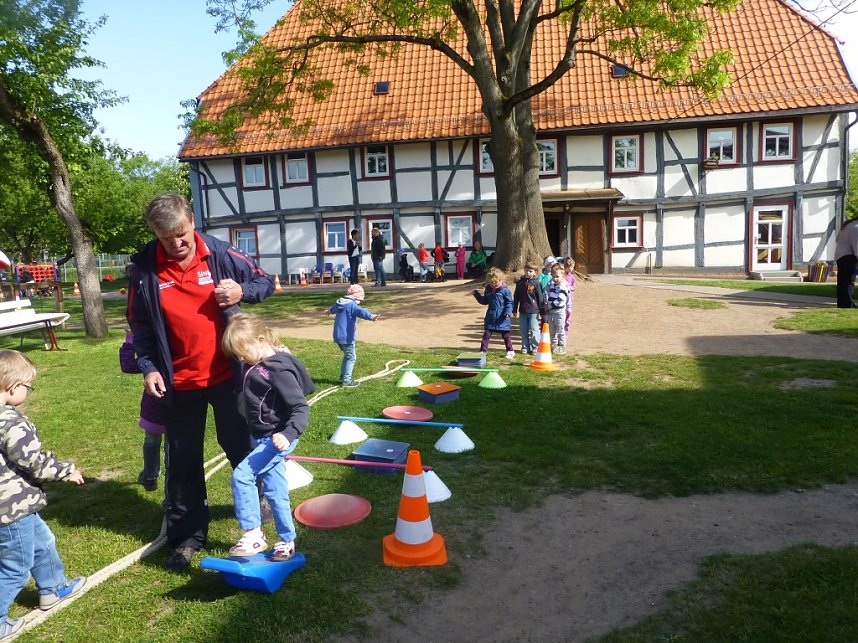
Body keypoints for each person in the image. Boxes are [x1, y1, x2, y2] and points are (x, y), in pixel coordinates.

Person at [127, 193, 274, 573]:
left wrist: (243, 291)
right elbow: (140, 326)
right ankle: (187, 538)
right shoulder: (144, 268)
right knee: (183, 461)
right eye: (166, 238)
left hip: (230, 377)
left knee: (241, 448)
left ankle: (256, 517)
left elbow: (264, 281)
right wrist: (149, 367)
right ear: (155, 235)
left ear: (192, 222)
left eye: (182, 234)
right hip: (179, 383)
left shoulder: (221, 253)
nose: (177, 243)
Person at [0, 350, 86, 640]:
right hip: (12, 508)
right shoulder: (10, 423)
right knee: (15, 568)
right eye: (28, 386)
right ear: (13, 387)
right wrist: (65, 471)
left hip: (15, 506)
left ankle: (52, 588)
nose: (28, 391)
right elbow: (33, 461)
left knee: (44, 543)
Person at [220, 313, 315, 562]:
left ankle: (253, 533)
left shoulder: (278, 370)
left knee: (242, 475)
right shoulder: (259, 360)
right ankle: (287, 541)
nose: (240, 359)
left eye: (242, 352)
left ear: (260, 340)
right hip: (260, 436)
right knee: (275, 490)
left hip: (276, 438)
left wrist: (288, 433)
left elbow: (300, 408)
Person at [119, 332, 170, 504]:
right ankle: (163, 492)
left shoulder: (150, 356)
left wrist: (130, 339)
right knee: (170, 451)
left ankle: (150, 476)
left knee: (153, 442)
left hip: (157, 405)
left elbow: (127, 364)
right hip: (168, 405)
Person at [327, 284, 379, 386]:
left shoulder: (340, 302)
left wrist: (329, 310)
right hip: (347, 337)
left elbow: (333, 308)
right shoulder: (352, 305)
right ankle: (347, 380)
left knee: (347, 356)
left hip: (338, 336)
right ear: (357, 296)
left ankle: (343, 377)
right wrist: (372, 316)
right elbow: (361, 312)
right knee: (351, 357)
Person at [472, 267, 515, 359]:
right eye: (491, 282)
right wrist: (477, 295)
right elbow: (485, 301)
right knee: (486, 334)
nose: (493, 284)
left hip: (502, 317)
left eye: (496, 282)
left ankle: (510, 350)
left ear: (501, 280)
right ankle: (483, 351)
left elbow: (509, 303)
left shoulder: (505, 290)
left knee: (505, 335)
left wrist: (508, 312)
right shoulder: (488, 289)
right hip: (491, 316)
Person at [512, 263, 545, 355]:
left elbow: (540, 297)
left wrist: (542, 310)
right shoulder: (520, 283)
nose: (528, 272)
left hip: (533, 310)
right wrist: (514, 309)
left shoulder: (537, 283)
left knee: (534, 329)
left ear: (535, 272)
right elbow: (516, 297)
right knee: (523, 329)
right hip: (522, 310)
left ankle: (535, 347)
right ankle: (525, 346)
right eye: (526, 270)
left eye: (530, 271)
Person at [544, 266, 571, 354]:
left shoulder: (564, 286)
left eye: (557, 277)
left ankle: (562, 346)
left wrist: (549, 306)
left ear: (562, 276)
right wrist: (546, 303)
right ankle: (554, 346)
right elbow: (546, 293)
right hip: (551, 312)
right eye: (553, 276)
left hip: (559, 312)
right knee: (552, 330)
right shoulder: (551, 285)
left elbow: (560, 300)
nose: (555, 279)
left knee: (560, 330)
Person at [834, 218, 858, 308]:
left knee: (842, 281)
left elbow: (837, 239)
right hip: (849, 256)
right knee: (848, 281)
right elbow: (857, 245)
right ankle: (847, 304)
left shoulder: (849, 225)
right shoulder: (856, 227)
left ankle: (842, 303)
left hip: (841, 256)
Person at [562, 257, 578, 338]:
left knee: (568, 315)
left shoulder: (572, 277)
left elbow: (574, 287)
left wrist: (570, 288)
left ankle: (566, 332)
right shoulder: (561, 275)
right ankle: (560, 331)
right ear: (568, 267)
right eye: (572, 267)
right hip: (561, 299)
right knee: (562, 315)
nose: (573, 269)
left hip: (569, 300)